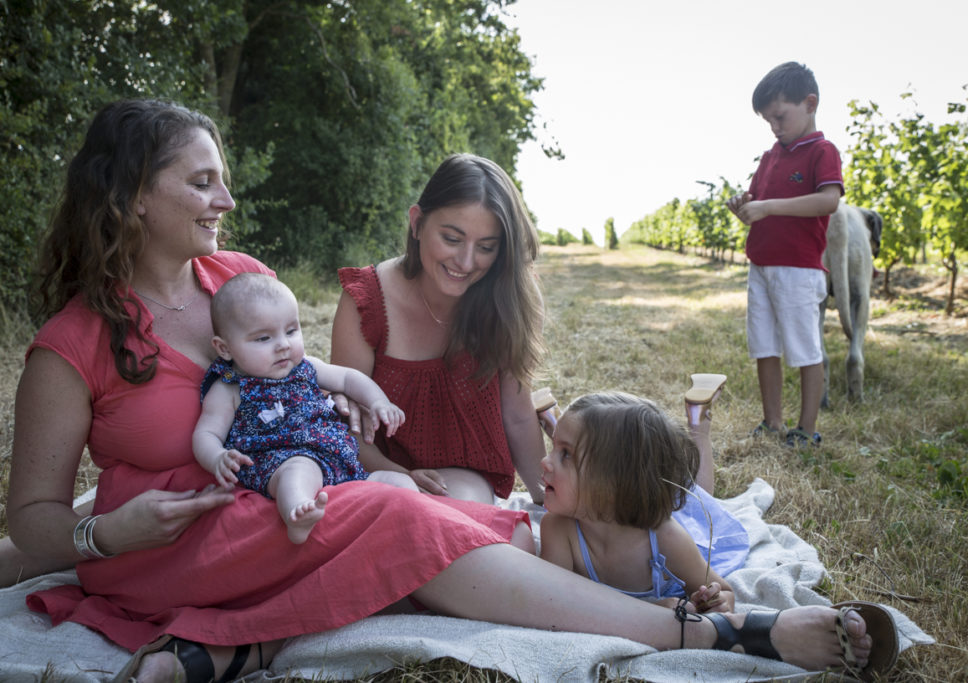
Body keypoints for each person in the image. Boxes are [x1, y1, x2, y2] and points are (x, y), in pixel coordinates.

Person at [5, 98, 890, 682]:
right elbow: (34, 524)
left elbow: (304, 387)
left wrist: (346, 406)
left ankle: (233, 646)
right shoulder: (70, 345)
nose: (227, 199)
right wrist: (101, 529)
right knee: (401, 514)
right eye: (203, 181)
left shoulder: (238, 281)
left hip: (289, 506)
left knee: (463, 518)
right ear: (127, 198)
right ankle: (705, 635)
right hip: (175, 541)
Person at [331, 153, 547, 505]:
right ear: (417, 224)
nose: (465, 262)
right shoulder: (366, 300)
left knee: (461, 509)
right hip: (380, 477)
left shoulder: (508, 300)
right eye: (452, 238)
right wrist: (402, 477)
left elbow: (519, 416)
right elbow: (348, 427)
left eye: (486, 247)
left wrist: (546, 500)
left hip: (463, 484)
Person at [193, 272, 414, 544]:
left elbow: (347, 378)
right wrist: (216, 457)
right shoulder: (230, 387)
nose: (283, 345)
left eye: (291, 331)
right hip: (279, 461)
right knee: (299, 470)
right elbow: (207, 434)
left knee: (399, 483)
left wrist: (378, 401)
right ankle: (297, 513)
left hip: (341, 462)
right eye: (263, 339)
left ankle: (407, 521)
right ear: (224, 349)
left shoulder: (305, 366)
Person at [726, 61, 843, 448]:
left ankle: (806, 429)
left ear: (810, 103)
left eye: (780, 116)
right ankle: (772, 421)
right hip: (760, 264)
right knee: (764, 345)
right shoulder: (770, 156)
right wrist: (744, 204)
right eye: (768, 121)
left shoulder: (822, 152)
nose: (775, 127)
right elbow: (758, 204)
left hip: (798, 268)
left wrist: (769, 207)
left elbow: (828, 202)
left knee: (805, 349)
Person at [540, 391, 737, 615]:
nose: (545, 461)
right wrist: (650, 609)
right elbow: (551, 601)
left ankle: (699, 426)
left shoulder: (666, 538)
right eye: (553, 448)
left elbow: (725, 592)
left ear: (614, 483)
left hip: (667, 516)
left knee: (699, 496)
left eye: (565, 454)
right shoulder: (558, 529)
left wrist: (716, 601)